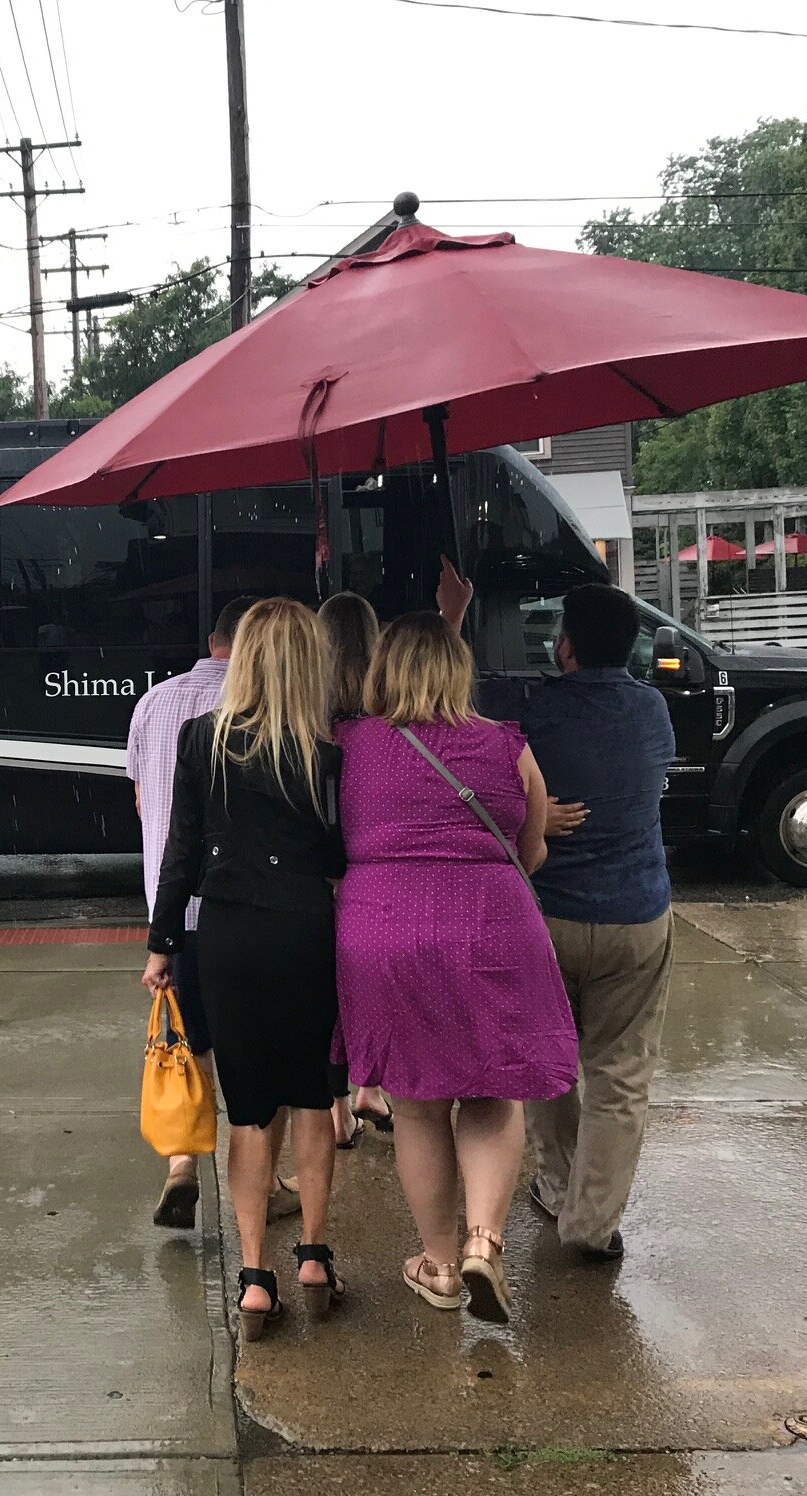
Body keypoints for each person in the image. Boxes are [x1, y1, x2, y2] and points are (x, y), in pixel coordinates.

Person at [335, 611, 578, 1323]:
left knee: (414, 1104)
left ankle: (438, 1264)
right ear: (458, 672)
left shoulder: (350, 745)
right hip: (491, 928)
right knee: (493, 1093)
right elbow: (531, 853)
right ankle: (484, 1240)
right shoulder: (507, 746)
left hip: (381, 930)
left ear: (384, 672)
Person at [143, 598, 346, 1345]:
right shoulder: (325, 751)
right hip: (306, 932)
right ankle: (316, 1259)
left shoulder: (201, 738)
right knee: (314, 1098)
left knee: (250, 1108)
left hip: (226, 935)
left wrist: (163, 944)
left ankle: (255, 1279)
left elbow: (181, 850)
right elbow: (336, 856)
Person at [510, 584, 678, 1262]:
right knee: (620, 1074)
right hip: (635, 916)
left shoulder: (534, 714)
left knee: (549, 1065)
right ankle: (591, 1222)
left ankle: (555, 1187)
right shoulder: (652, 709)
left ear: (566, 646)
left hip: (547, 915)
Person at [317, 557, 477, 1138]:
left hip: (325, 865)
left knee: (331, 986)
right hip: (375, 865)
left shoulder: (313, 715)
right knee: (371, 982)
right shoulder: (378, 713)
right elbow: (430, 706)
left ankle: (336, 1109)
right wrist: (450, 620)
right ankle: (371, 1083)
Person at [127, 596, 257, 1230]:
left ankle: (181, 1164)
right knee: (249, 1051)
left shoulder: (153, 703)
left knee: (184, 1042)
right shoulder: (263, 706)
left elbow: (142, 803)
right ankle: (264, 1184)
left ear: (212, 641)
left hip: (171, 909)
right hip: (243, 907)